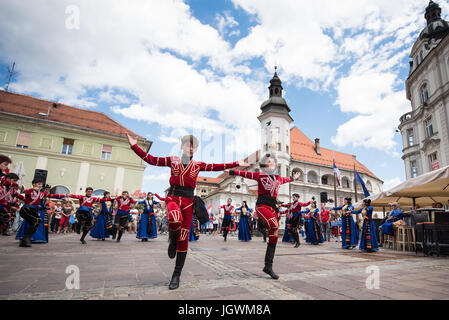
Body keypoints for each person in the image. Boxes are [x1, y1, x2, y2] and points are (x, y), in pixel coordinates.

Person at [127, 132, 246, 290]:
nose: (190, 148)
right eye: (187, 145)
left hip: (189, 202)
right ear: (182, 146)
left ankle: (176, 275)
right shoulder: (172, 160)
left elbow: (217, 166)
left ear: (195, 149)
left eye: (193, 146)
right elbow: (152, 160)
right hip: (174, 198)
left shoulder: (197, 164)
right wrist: (134, 146)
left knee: (184, 239)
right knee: (174, 219)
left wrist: (236, 162)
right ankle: (172, 238)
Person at [226, 153, 301, 280]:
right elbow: (245, 174)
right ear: (264, 165)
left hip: (272, 207)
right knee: (274, 225)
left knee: (274, 232)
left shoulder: (278, 178)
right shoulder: (259, 175)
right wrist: (232, 172)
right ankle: (261, 227)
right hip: (262, 205)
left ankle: (268, 266)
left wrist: (293, 177)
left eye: (273, 162)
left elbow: (287, 179)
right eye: (269, 162)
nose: (272, 164)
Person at [16, 179, 64, 247]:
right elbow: (23, 193)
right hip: (26, 209)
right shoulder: (29, 191)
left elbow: (52, 195)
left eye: (41, 184)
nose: (40, 186)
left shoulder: (41, 193)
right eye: (38, 184)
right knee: (36, 221)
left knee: (36, 222)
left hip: (33, 211)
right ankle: (25, 238)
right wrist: (28, 189)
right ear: (34, 184)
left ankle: (26, 239)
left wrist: (64, 195)